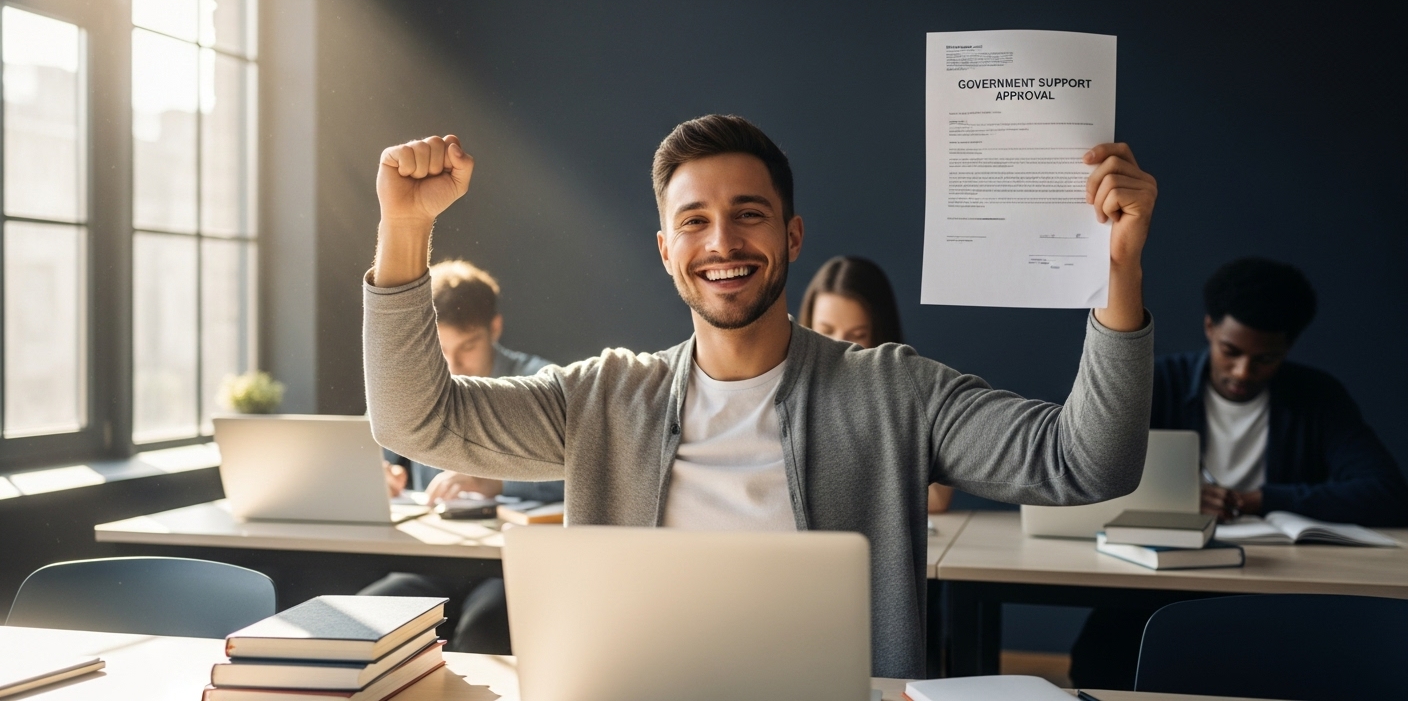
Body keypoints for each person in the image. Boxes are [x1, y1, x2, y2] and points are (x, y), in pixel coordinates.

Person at [363, 114, 1161, 678]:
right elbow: (416, 418)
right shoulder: (603, 395)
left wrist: (1119, 267)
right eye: (695, 222)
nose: (722, 243)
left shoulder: (893, 390)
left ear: (791, 236)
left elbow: (1087, 463)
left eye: (749, 216)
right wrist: (405, 232)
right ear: (665, 249)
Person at [1069, 257, 1408, 689]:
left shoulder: (1317, 397)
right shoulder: (1155, 383)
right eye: (1231, 351)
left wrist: (1259, 499)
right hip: (1156, 582)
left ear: (1288, 347)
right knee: (1107, 663)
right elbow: (1085, 472)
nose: (1243, 371)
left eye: (1265, 358)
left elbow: (1387, 492)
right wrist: (1175, 503)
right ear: (1210, 327)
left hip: (1276, 586)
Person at [365, 258, 561, 655]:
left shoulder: (544, 387)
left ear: (494, 329)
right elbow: (374, 452)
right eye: (440, 349)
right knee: (363, 622)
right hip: (434, 560)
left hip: (513, 568)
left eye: (468, 347)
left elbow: (591, 469)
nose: (452, 366)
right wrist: (375, 477)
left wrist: (498, 479)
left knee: (483, 632)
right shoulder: (416, 392)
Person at [798, 255, 953, 514]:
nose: (840, 347)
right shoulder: (787, 389)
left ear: (879, 334)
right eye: (825, 331)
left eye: (858, 336)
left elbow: (935, 499)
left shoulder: (904, 390)